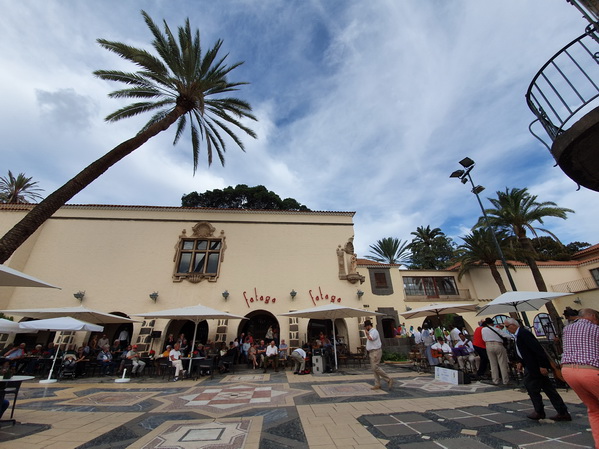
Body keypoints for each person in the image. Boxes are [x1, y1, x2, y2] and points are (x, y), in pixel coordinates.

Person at [504, 317, 571, 421]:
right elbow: (523, 351)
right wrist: (521, 361)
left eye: (507, 326)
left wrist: (542, 365)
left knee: (532, 388)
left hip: (534, 366)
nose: (506, 329)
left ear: (513, 325)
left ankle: (540, 411)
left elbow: (537, 349)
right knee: (548, 389)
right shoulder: (518, 335)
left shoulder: (524, 334)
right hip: (530, 365)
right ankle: (562, 411)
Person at [561, 308, 599, 446]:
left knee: (594, 409)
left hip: (568, 371)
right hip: (590, 371)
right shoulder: (595, 329)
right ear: (593, 316)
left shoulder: (567, 329)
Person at [364, 320, 393, 390]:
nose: (365, 328)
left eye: (366, 327)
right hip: (372, 352)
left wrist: (367, 334)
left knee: (375, 367)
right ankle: (377, 384)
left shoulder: (374, 331)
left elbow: (371, 338)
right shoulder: (371, 332)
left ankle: (388, 379)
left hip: (376, 351)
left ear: (368, 326)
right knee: (374, 369)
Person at [481, 318, 510, 386]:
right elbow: (508, 336)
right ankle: (505, 380)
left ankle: (495, 380)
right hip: (498, 344)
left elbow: (483, 338)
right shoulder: (497, 329)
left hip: (488, 345)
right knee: (502, 363)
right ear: (492, 323)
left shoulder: (483, 329)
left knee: (493, 364)